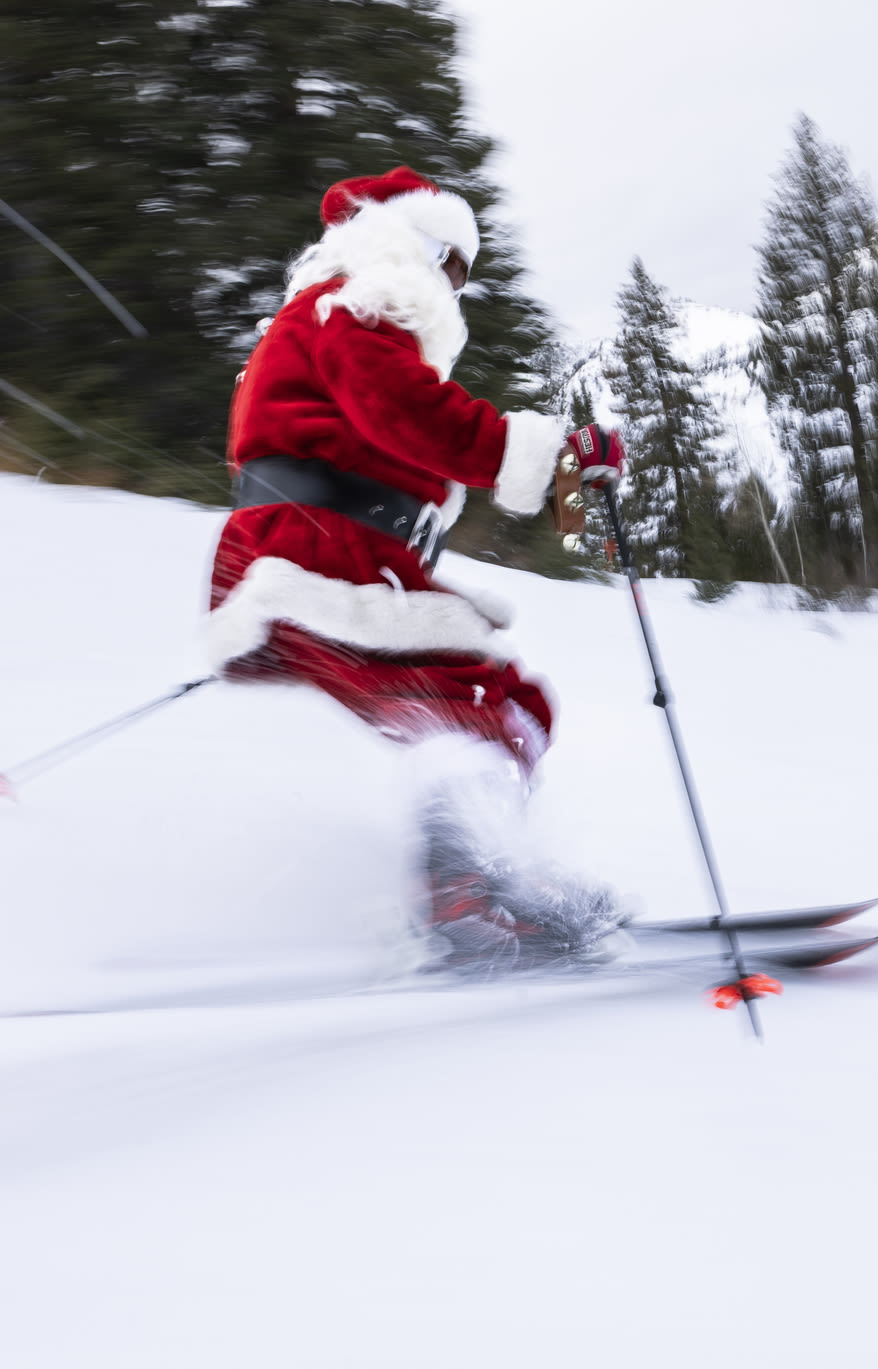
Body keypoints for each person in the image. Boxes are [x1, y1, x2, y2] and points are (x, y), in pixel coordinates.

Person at [203, 166, 627, 973]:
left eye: (465, 273)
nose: (454, 287)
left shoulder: (329, 315)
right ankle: (466, 898)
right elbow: (401, 412)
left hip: (329, 550)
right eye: (449, 263)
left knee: (496, 699)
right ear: (407, 244)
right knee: (468, 698)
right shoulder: (355, 305)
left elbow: (377, 438)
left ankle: (486, 879)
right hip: (319, 553)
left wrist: (555, 477)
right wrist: (536, 451)